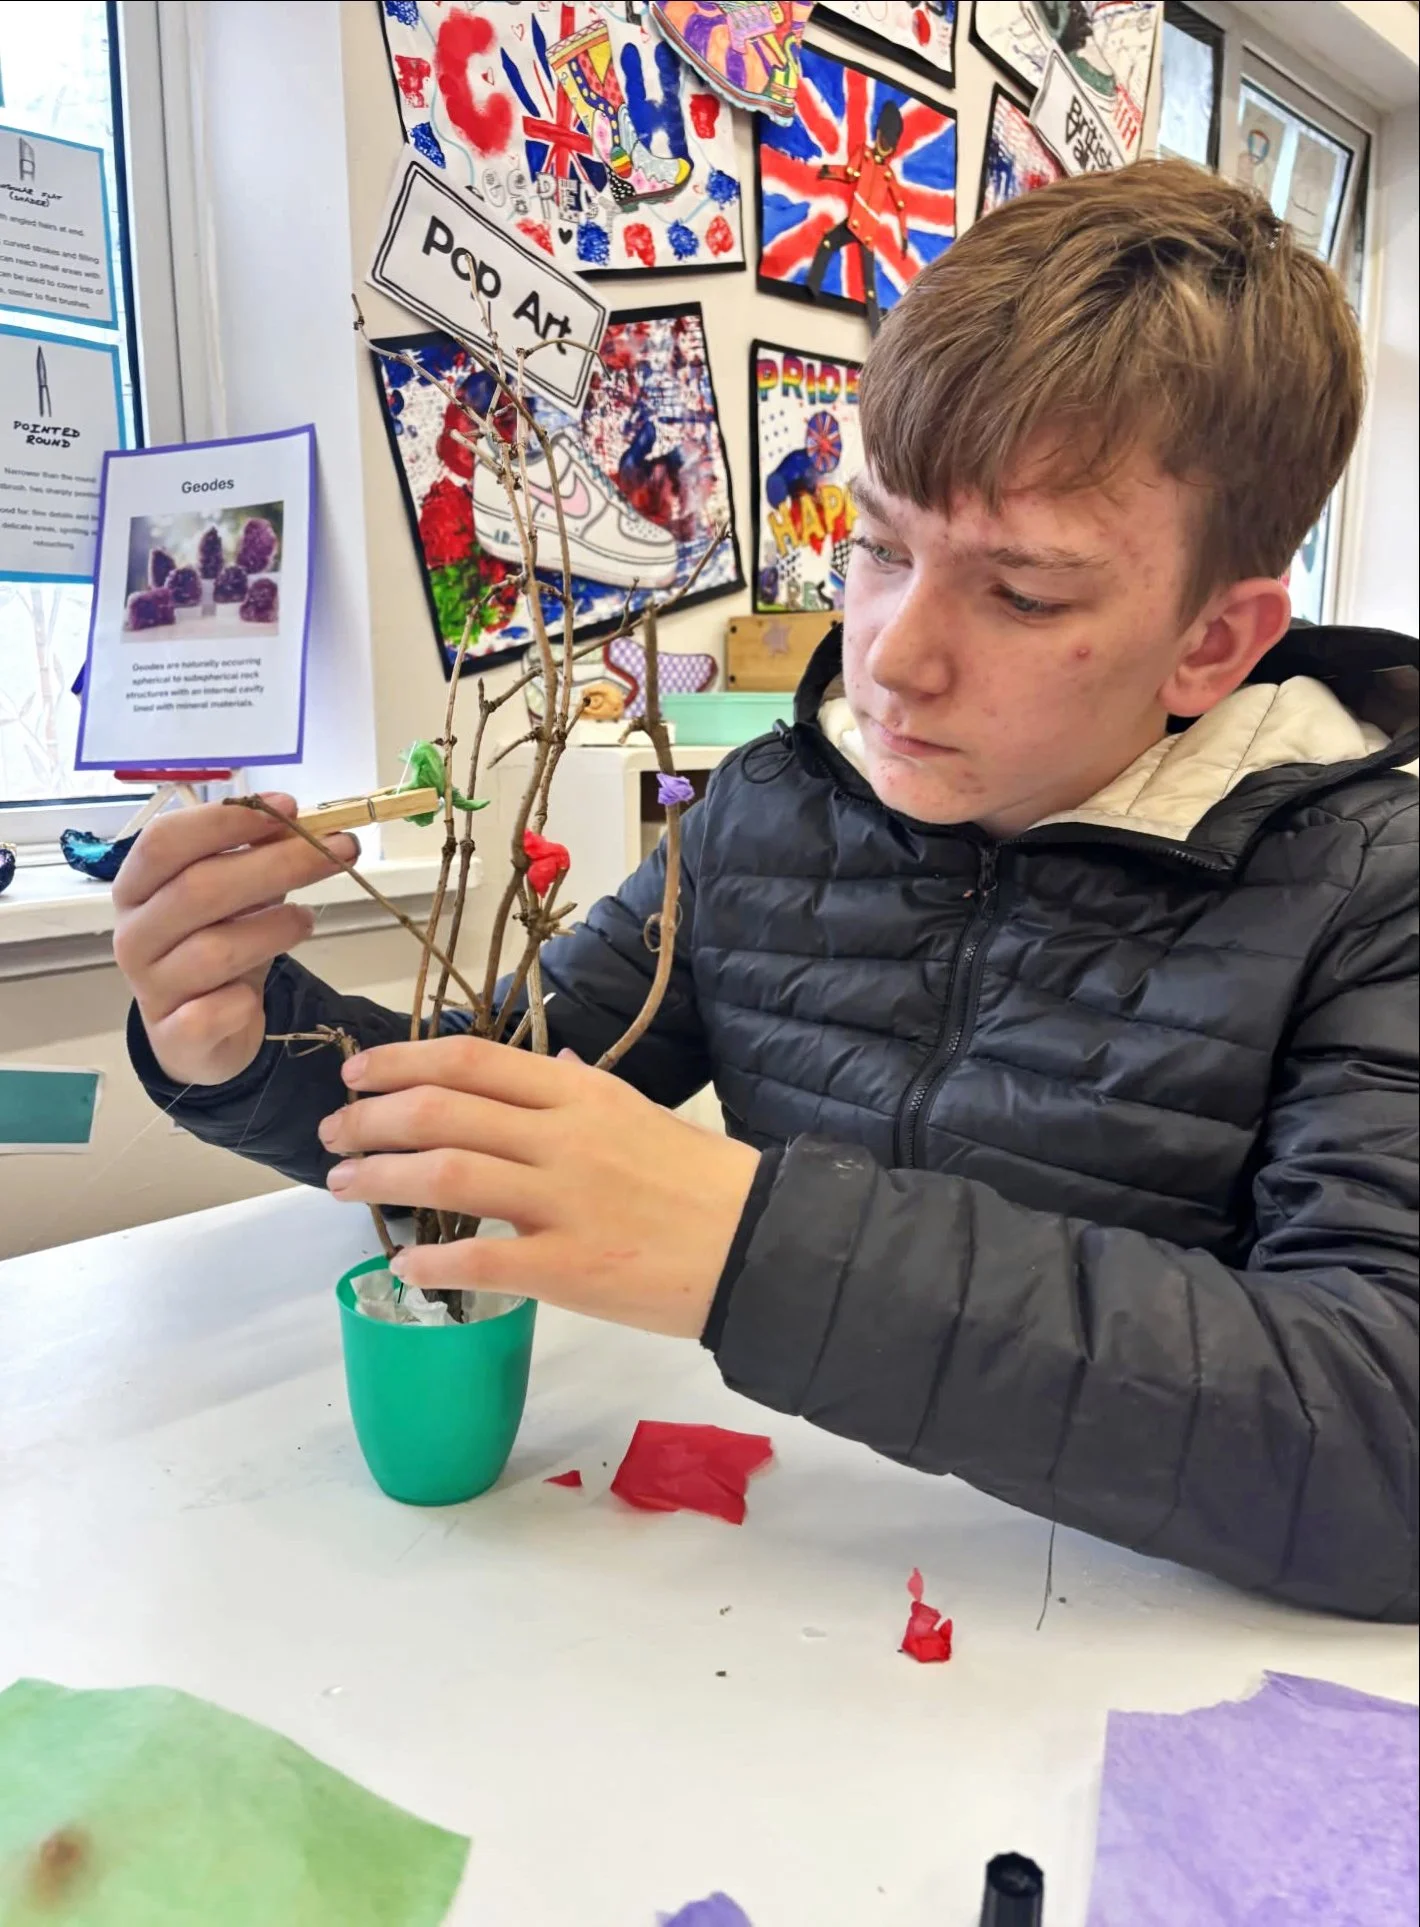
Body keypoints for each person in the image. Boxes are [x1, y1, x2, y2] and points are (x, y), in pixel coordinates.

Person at [115, 160, 1418, 1621]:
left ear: (1212, 641)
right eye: (879, 545)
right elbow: (503, 1090)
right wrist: (245, 1043)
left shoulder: (1371, 891)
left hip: (1135, 1646)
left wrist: (752, 1248)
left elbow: (1385, 1436)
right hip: (785, 1602)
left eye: (1024, 594)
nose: (891, 657)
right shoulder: (768, 810)